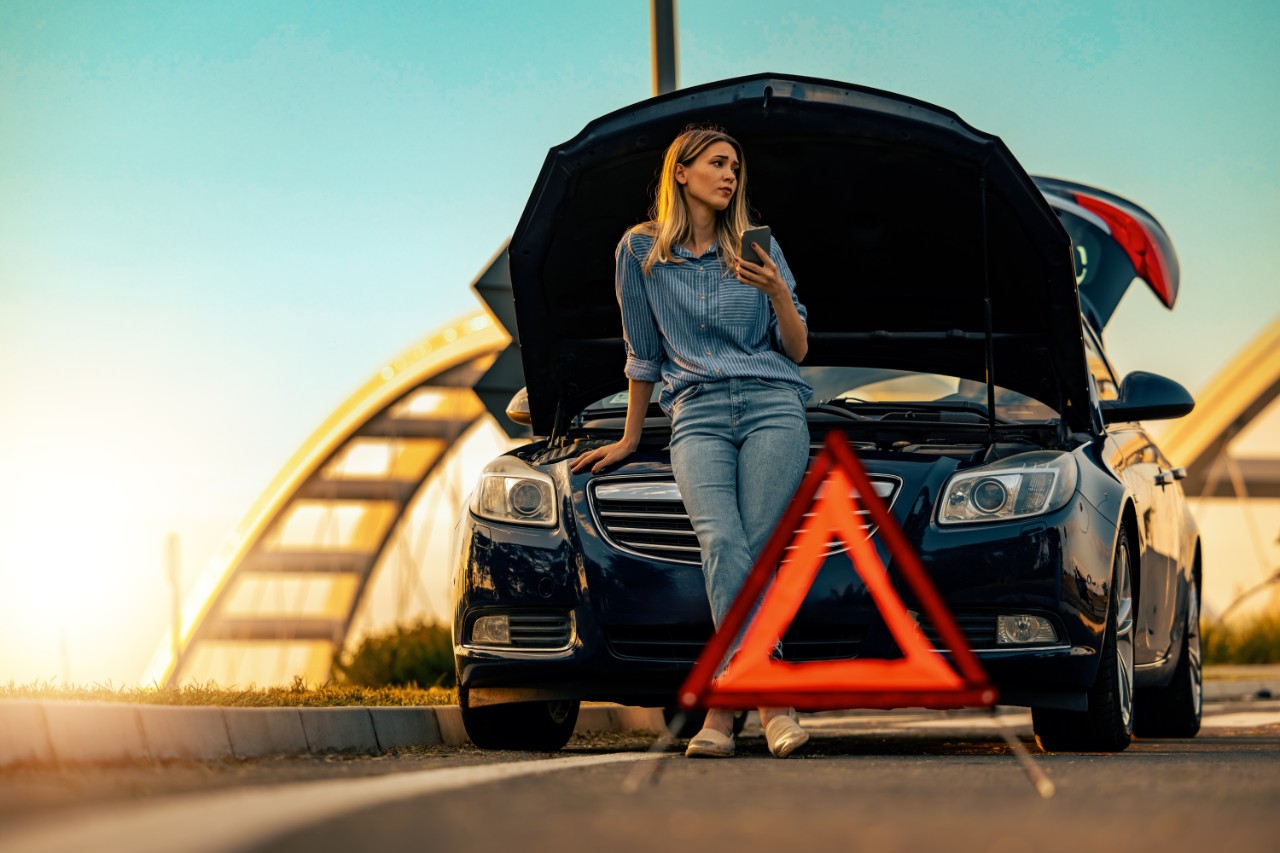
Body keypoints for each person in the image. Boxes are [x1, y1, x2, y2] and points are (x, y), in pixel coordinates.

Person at [570, 126, 812, 758]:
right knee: (722, 541)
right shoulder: (640, 251)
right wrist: (628, 438)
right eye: (717, 163)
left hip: (771, 406)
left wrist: (778, 293)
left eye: (736, 166)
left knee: (756, 548)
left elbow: (798, 348)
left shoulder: (758, 247)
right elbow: (642, 355)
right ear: (682, 172)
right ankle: (772, 699)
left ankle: (724, 714)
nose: (730, 176)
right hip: (696, 412)